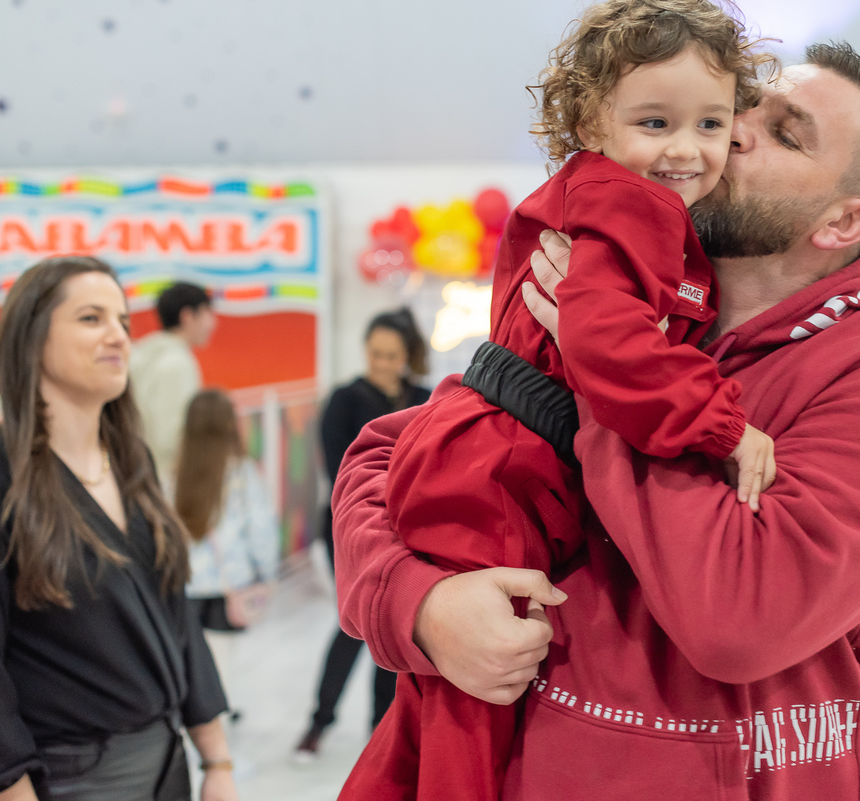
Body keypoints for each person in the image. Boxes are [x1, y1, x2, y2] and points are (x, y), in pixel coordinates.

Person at [333, 41, 860, 801]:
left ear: (843, 220)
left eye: (785, 132)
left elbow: (738, 615)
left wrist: (610, 373)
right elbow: (389, 452)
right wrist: (418, 606)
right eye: (745, 107)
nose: (733, 130)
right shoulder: (625, 292)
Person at [359, 2, 775, 798]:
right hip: (502, 464)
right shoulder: (636, 204)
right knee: (473, 710)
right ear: (591, 119)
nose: (686, 149)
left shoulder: (605, 198)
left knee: (446, 706)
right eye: (655, 122)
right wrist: (725, 425)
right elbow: (608, 346)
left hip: (492, 450)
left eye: (711, 124)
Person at [0, 256, 237, 801]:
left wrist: (216, 760)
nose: (118, 336)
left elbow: (175, 614)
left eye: (123, 321)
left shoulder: (131, 463)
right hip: (68, 781)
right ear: (32, 339)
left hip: (166, 767)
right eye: (91, 318)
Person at [293, 308, 432, 762]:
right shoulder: (345, 399)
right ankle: (319, 721)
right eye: (376, 354)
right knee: (354, 625)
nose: (383, 363)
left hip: (409, 530)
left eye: (392, 355)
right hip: (350, 527)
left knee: (393, 626)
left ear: (407, 355)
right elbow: (339, 472)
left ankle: (382, 728)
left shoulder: (425, 398)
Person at [178, 389, 281, 721]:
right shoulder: (241, 473)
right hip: (228, 587)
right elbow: (261, 530)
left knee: (189, 669)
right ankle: (216, 754)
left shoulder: (173, 473)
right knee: (219, 672)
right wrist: (267, 574)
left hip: (184, 588)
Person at [129, 280, 217, 491]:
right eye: (207, 313)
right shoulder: (177, 364)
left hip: (137, 476)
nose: (212, 323)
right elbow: (172, 438)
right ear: (187, 316)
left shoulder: (142, 355)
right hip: (165, 483)